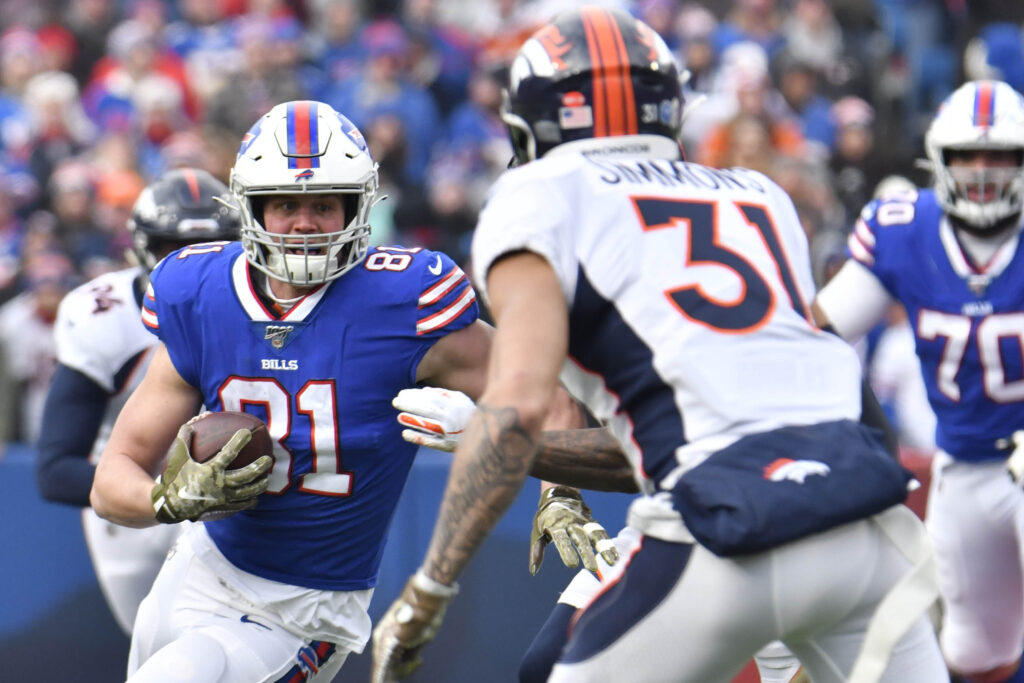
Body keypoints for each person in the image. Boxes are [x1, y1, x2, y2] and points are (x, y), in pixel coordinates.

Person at [371, 8, 948, 683]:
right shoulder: (760, 196)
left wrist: (428, 587)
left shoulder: (536, 197)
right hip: (864, 522)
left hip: (725, 526)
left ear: (533, 122)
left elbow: (518, 410)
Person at [88, 100, 494, 682]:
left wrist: (529, 460)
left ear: (358, 208)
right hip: (201, 567)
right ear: (250, 208)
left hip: (308, 606)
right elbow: (112, 477)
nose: (305, 223)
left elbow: (538, 397)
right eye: (285, 205)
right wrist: (168, 501)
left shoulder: (406, 300)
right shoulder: (200, 291)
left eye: (324, 204)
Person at [813, 79, 1024, 683]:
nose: (984, 171)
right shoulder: (904, 229)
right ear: (939, 160)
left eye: (1001, 155)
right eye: (968, 156)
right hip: (964, 467)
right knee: (975, 656)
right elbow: (821, 334)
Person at [35, 167, 242, 635]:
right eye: (174, 248)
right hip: (137, 501)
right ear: (143, 248)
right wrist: (165, 494)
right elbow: (55, 469)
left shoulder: (268, 306)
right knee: (164, 647)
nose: (194, 263)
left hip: (236, 494)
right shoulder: (103, 316)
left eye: (214, 247)